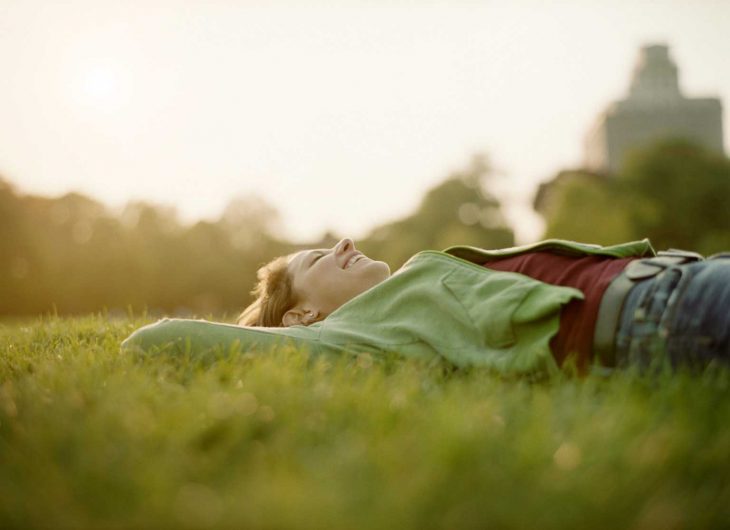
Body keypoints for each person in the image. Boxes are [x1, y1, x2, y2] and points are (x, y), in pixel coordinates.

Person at [122, 237, 730, 376]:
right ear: (300, 318)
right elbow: (148, 342)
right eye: (317, 261)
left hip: (687, 273)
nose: (344, 243)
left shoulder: (402, 288)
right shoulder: (353, 331)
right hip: (663, 312)